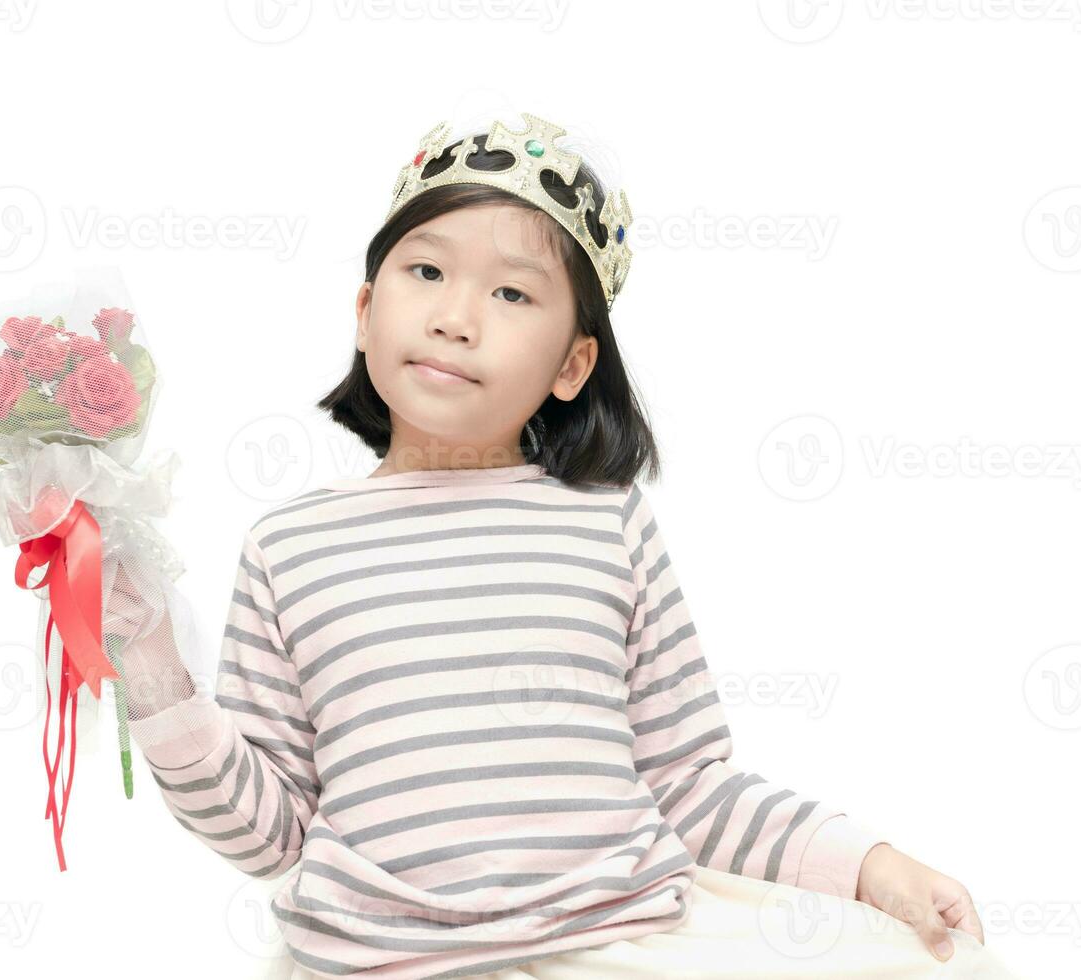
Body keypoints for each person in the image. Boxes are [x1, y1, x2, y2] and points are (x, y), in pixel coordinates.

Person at [108, 111, 1024, 980]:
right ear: (362, 308)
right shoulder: (291, 547)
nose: (455, 316)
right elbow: (272, 836)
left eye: (511, 293)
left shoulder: (605, 523)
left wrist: (870, 865)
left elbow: (686, 787)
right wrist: (150, 662)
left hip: (614, 948)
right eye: (425, 273)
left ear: (571, 365)